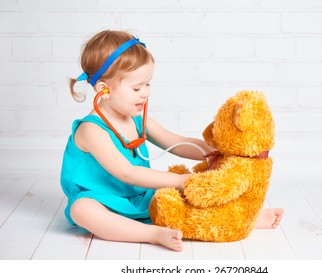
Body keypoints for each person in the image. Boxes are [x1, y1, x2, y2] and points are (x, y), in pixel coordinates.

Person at [61, 30, 283, 252]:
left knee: (188, 199)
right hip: (105, 201)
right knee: (81, 209)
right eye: (136, 88)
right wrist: (180, 180)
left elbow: (176, 142)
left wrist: (215, 152)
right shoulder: (91, 130)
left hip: (142, 196)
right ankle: (152, 234)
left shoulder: (137, 119)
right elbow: (127, 173)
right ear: (104, 90)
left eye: (148, 84)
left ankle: (245, 220)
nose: (145, 93)